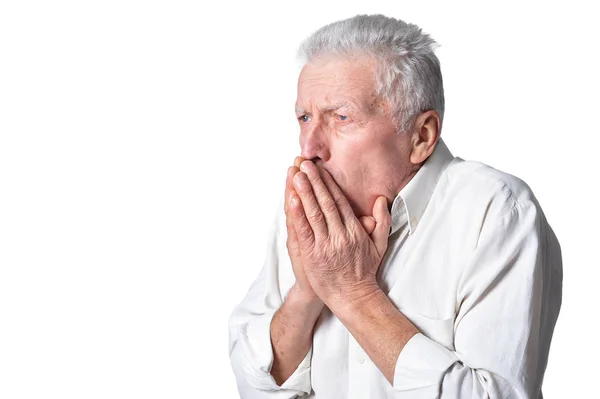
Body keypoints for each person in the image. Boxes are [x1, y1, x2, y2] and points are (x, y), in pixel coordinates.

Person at [228, 14, 562, 399]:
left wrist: (353, 293)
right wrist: (307, 292)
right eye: (304, 118)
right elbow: (252, 385)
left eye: (341, 117)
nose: (309, 149)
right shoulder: (310, 212)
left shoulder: (497, 211)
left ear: (422, 135)